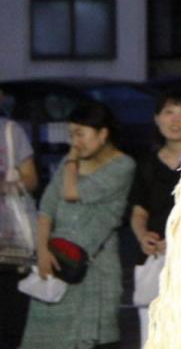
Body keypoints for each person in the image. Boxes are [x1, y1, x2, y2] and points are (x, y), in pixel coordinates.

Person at [19, 101, 134, 349]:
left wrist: (71, 158)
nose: (75, 142)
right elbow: (47, 207)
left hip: (95, 266)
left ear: (103, 134)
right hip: (57, 259)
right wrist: (42, 252)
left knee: (92, 338)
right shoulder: (68, 165)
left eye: (81, 134)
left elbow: (73, 192)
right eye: (71, 134)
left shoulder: (123, 166)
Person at [130, 92, 181, 348]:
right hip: (155, 257)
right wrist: (143, 236)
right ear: (156, 119)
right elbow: (138, 210)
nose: (176, 120)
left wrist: (179, 239)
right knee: (151, 328)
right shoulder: (146, 164)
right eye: (168, 112)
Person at [0, 92, 37, 349]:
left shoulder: (11, 132)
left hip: (10, 247)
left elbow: (32, 180)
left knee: (10, 325)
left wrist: (6, 186)